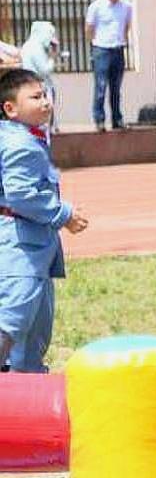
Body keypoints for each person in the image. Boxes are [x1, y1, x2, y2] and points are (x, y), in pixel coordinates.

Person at [0, 69, 89, 373]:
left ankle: (25, 384)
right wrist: (63, 214)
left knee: (36, 322)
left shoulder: (25, 136)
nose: (45, 102)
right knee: (15, 315)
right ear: (10, 109)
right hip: (19, 246)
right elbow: (21, 194)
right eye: (35, 97)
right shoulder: (19, 143)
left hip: (33, 242)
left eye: (45, 95)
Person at [84, 0, 133, 132]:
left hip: (118, 49)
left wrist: (122, 40)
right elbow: (89, 29)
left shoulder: (126, 6)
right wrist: (94, 45)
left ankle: (117, 120)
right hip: (101, 50)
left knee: (116, 88)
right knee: (101, 87)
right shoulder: (96, 6)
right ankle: (99, 120)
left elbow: (126, 25)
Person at [19, 22, 60, 135]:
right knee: (43, 121)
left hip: (29, 83)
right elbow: (45, 69)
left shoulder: (28, 45)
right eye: (50, 34)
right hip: (40, 86)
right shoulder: (35, 48)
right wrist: (52, 57)